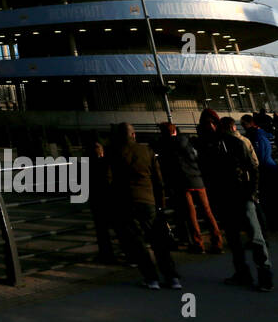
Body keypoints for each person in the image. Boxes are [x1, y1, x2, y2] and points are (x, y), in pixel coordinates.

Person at [202, 116, 274, 291]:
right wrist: (252, 192)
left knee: (238, 237)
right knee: (253, 236)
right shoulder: (236, 143)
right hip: (241, 194)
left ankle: (244, 273)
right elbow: (253, 167)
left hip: (230, 196)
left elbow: (209, 174)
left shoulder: (214, 146)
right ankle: (263, 274)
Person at [109, 123, 181, 290]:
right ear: (133, 135)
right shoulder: (146, 151)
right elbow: (158, 180)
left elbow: (109, 180)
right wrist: (160, 203)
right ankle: (171, 277)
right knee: (158, 240)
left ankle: (151, 278)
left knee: (137, 242)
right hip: (148, 201)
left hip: (125, 202)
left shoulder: (114, 153)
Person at [157, 121, 224, 253]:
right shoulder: (187, 141)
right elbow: (196, 157)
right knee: (207, 211)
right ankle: (217, 242)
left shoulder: (164, 146)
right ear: (175, 130)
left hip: (181, 182)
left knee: (191, 214)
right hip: (197, 179)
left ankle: (198, 244)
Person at [86, 137, 120, 263]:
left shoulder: (88, 165)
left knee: (102, 231)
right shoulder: (109, 163)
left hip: (98, 201)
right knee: (119, 229)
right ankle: (129, 254)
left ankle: (107, 255)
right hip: (112, 199)